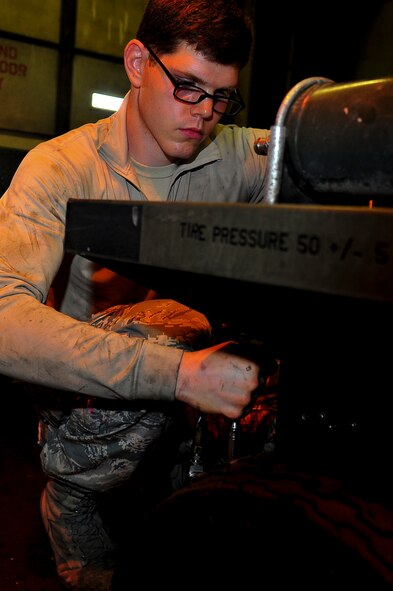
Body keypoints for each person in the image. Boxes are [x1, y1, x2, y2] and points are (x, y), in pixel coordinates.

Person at [0, 0, 272, 589]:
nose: (204, 113)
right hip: (80, 391)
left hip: (186, 370)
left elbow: (313, 150)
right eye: (188, 87)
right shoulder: (59, 168)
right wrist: (177, 374)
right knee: (173, 327)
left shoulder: (233, 155)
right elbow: (2, 319)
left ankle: (180, 475)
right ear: (138, 62)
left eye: (222, 96)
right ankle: (71, 497)